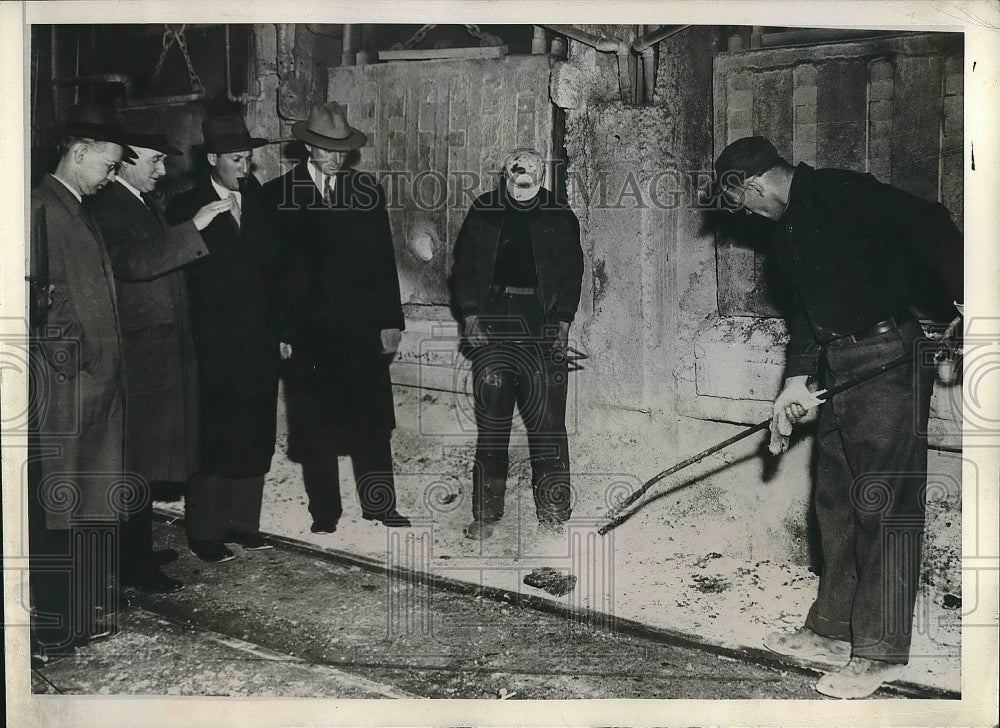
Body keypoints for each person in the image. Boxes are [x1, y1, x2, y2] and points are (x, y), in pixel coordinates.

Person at [713, 136, 963, 699]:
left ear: (752, 185)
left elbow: (928, 220)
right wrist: (796, 381)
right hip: (837, 364)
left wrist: (969, 297)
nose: (748, 216)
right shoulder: (789, 232)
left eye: (743, 204)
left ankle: (879, 654)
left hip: (888, 359)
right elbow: (805, 313)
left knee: (886, 502)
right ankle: (830, 630)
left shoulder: (840, 191)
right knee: (836, 498)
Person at [88, 110, 233, 591]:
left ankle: (139, 552)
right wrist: (193, 228)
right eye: (153, 161)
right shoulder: (108, 206)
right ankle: (132, 566)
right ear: (124, 162)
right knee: (135, 463)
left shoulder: (140, 201)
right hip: (138, 354)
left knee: (147, 463)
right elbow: (131, 263)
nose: (162, 170)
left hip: (162, 349)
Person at [263, 101, 410, 533]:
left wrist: (390, 321)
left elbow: (383, 260)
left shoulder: (365, 190)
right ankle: (324, 513)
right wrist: (280, 331)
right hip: (307, 334)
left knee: (372, 422)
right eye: (329, 148)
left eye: (343, 147)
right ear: (309, 148)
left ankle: (381, 506)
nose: (338, 155)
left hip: (360, 329)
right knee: (314, 424)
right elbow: (271, 274)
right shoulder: (278, 197)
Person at [28, 104, 133, 658]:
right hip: (67, 386)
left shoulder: (75, 206)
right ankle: (48, 627)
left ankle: (72, 612)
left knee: (84, 504)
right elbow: (33, 301)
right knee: (55, 507)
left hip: (94, 384)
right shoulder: (40, 207)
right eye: (109, 165)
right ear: (79, 151)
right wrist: (74, 356)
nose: (111, 176)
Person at [165, 115, 283, 562]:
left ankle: (242, 524)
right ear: (213, 159)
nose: (245, 167)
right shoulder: (184, 209)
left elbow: (279, 270)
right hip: (210, 343)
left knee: (256, 429)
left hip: (259, 341)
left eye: (249, 158)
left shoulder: (260, 200)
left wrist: (283, 331)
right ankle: (205, 532)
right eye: (237, 159)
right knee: (214, 434)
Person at [451, 147, 584, 540]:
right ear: (505, 178)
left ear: (541, 179)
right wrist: (471, 314)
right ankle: (486, 512)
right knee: (492, 422)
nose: (519, 190)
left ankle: (554, 513)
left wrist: (562, 325)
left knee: (547, 422)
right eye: (513, 183)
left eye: (527, 185)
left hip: (541, 324)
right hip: (494, 320)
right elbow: (463, 267)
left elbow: (571, 274)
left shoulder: (559, 216)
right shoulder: (485, 211)